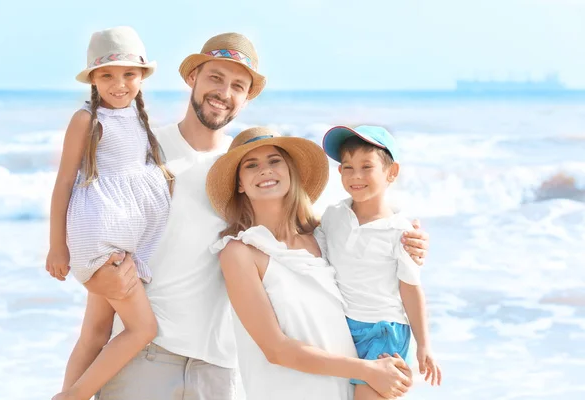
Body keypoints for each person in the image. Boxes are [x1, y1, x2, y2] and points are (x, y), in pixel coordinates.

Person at [73, 32, 429, 400]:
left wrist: (404, 237)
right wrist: (94, 279)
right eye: (215, 78)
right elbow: (93, 226)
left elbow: (326, 237)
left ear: (246, 98)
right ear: (192, 76)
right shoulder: (144, 151)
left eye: (238, 86)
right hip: (148, 357)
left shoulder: (246, 165)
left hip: (221, 367)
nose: (224, 93)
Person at [207, 126, 416, 399]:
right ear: (239, 184)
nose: (265, 170)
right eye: (251, 165)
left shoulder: (324, 235)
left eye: (275, 161)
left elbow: (380, 264)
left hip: (346, 391)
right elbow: (276, 349)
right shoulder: (239, 252)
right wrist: (367, 370)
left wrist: (412, 239)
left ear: (291, 172)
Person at [45, 26, 173, 400]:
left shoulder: (138, 117)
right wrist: (57, 247)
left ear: (143, 76)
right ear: (94, 79)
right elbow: (64, 182)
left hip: (120, 239)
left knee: (96, 334)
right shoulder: (87, 120)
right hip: (99, 240)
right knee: (142, 329)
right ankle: (72, 396)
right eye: (107, 75)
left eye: (129, 74)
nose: (119, 85)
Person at [318, 125, 442, 400]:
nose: (356, 175)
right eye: (348, 167)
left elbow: (411, 289)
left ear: (391, 172)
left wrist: (424, 345)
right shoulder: (333, 215)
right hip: (343, 327)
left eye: (367, 166)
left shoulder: (401, 232)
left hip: (384, 331)